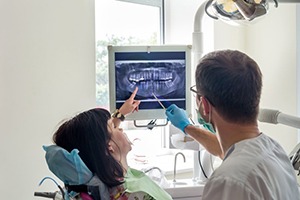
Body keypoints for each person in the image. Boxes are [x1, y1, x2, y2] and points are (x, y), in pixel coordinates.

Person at [165, 50, 300, 200]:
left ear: (204, 104)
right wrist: (186, 127)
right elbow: (227, 152)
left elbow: (235, 164)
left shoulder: (228, 182)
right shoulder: (274, 150)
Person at [51, 87, 172, 200]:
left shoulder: (110, 184)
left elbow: (101, 140)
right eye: (114, 127)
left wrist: (120, 115)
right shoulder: (135, 194)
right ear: (108, 147)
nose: (120, 129)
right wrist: (186, 127)